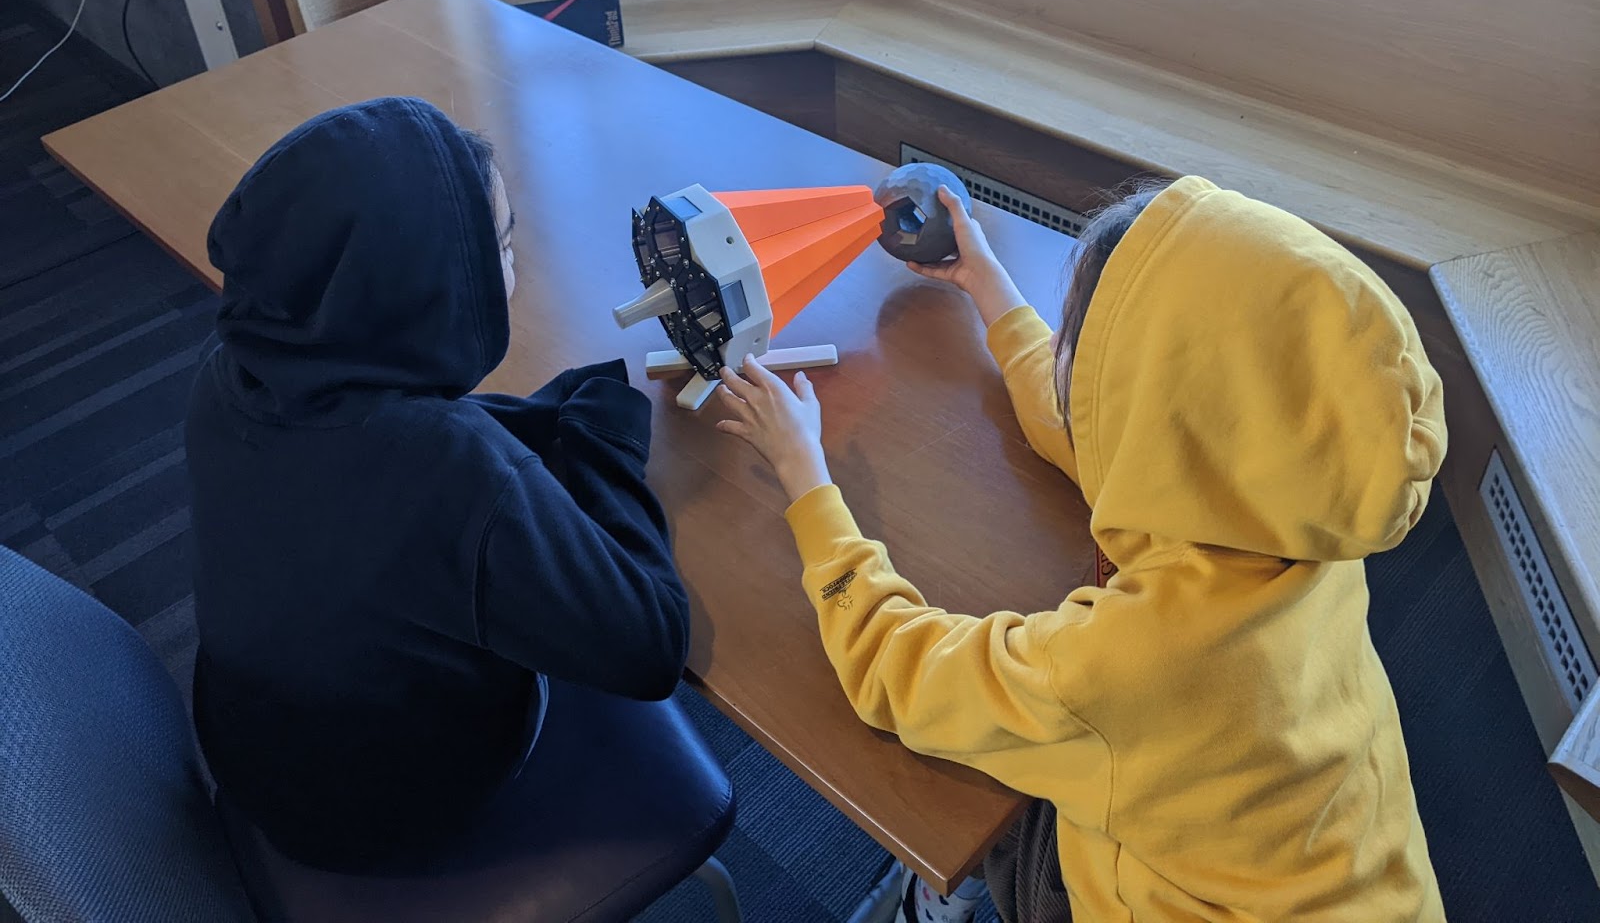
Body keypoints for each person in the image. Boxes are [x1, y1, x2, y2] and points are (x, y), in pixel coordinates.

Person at [716, 175, 1447, 923]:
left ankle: (943, 900)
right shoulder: (1302, 491)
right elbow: (1088, 427)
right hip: (1360, 880)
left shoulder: (1120, 663)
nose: (1068, 356)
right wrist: (984, 283)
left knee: (988, 796)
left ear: (1158, 408)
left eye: (1086, 345)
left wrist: (805, 477)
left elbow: (891, 668)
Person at [186, 96, 690, 872]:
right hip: (398, 807)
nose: (517, 264)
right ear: (433, 284)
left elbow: (384, 443)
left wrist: (519, 430)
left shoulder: (233, 371)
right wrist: (603, 440)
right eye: (505, 245)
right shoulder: (447, 471)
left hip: (260, 750)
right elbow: (652, 646)